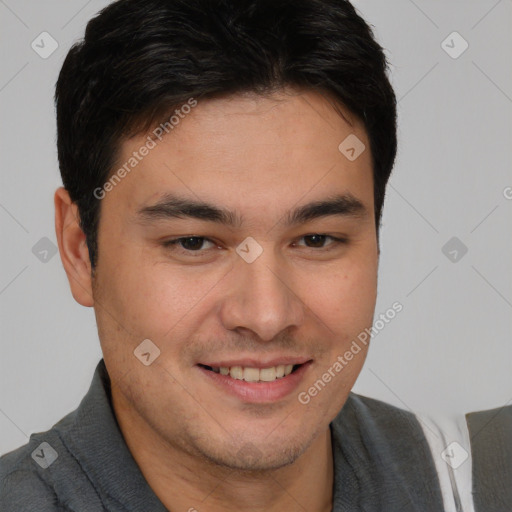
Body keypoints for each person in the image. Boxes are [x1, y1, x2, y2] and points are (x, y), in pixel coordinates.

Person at [1, 0, 510, 511]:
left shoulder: (486, 483)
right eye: (194, 242)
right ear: (78, 250)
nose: (266, 316)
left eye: (316, 240)